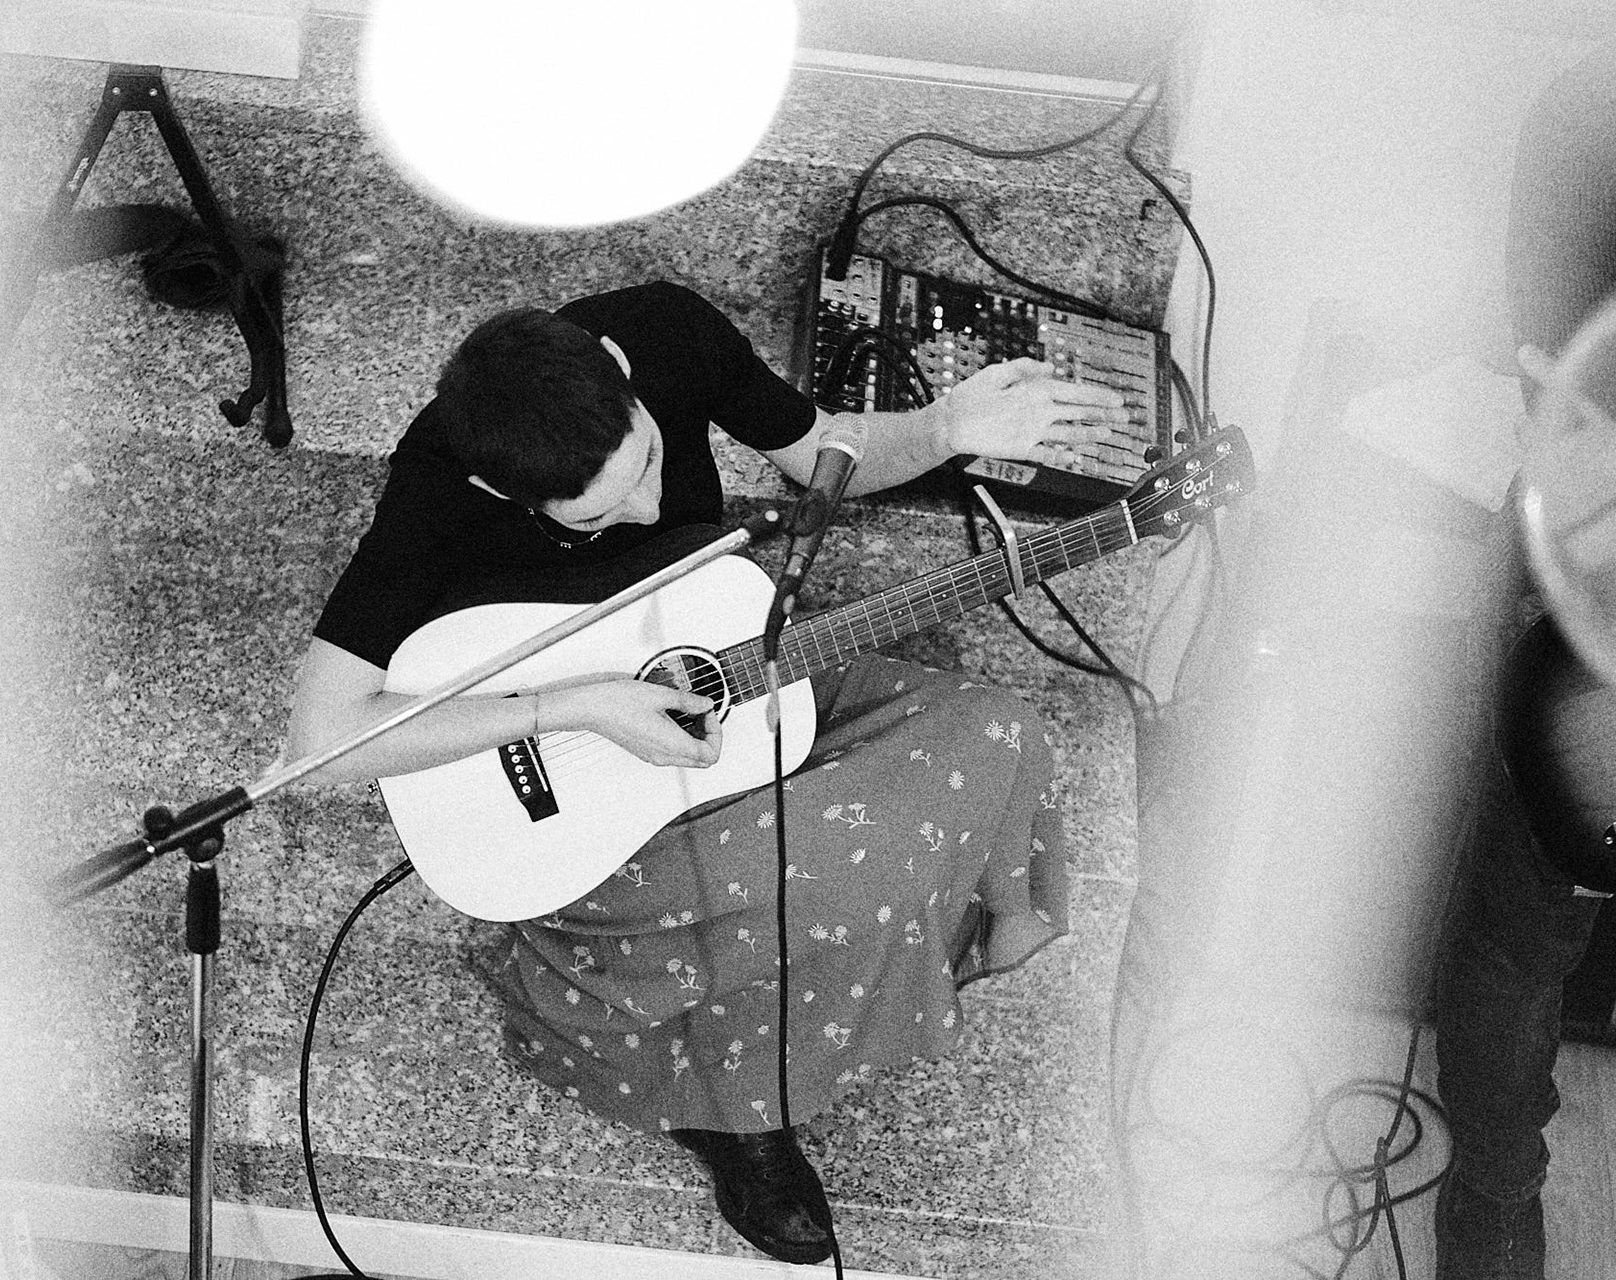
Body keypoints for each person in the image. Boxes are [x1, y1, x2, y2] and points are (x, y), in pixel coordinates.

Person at [282, 279, 1128, 1263]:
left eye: (648, 457)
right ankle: (736, 1111)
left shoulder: (665, 331)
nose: (648, 504)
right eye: (600, 516)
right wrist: (579, 706)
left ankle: (837, 982)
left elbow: (822, 453)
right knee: (847, 878)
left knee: (1000, 733)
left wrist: (946, 427)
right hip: (589, 798)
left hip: (720, 658)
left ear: (621, 370)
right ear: (501, 493)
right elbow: (319, 741)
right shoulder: (439, 486)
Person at [1431, 39, 1616, 1280]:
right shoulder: (1610, 113)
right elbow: (1571, 403)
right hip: (1615, 592)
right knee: (1530, 936)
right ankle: (1491, 1199)